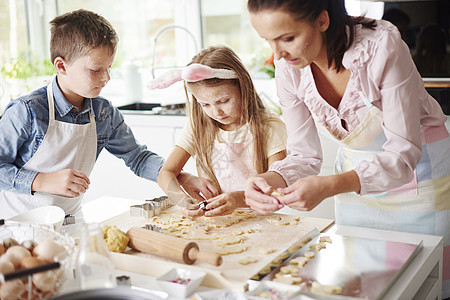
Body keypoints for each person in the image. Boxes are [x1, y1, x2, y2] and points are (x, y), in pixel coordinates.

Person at [245, 0, 450, 297]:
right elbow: (303, 154)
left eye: (287, 39)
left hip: (420, 176)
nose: (276, 54)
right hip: (352, 190)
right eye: (267, 40)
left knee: (423, 284)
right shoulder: (289, 69)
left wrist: (332, 185)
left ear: (323, 20)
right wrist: (270, 180)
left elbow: (403, 152)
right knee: (359, 287)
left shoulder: (381, 48)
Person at [0, 9, 196, 220]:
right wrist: (41, 181)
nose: (106, 78)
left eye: (109, 67)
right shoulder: (27, 111)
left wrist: (178, 177)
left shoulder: (104, 113)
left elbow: (138, 158)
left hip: (70, 221)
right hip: (18, 225)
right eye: (96, 70)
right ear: (61, 66)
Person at [149, 46, 287, 217]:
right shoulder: (198, 126)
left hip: (261, 221)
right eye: (205, 104)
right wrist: (182, 200)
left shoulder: (270, 126)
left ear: (242, 87)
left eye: (223, 100)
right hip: (215, 223)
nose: (216, 112)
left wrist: (237, 199)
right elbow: (166, 173)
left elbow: (279, 183)